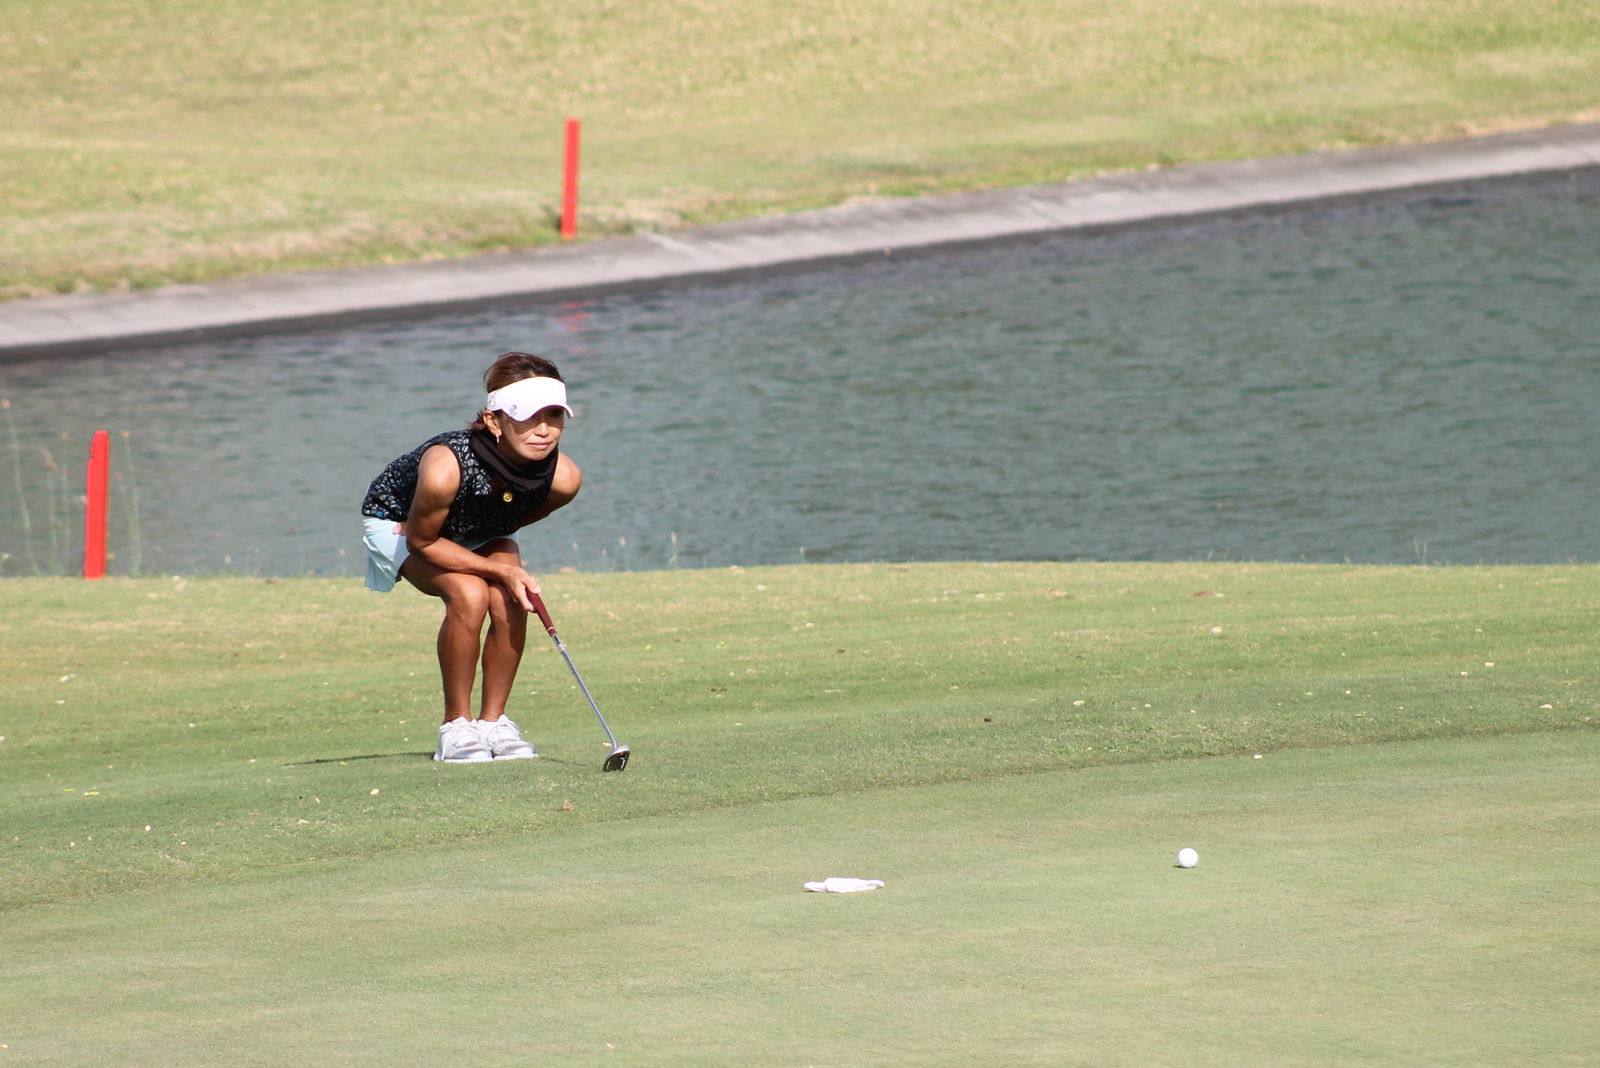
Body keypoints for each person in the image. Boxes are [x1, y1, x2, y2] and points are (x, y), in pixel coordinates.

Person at [360, 352, 582, 762]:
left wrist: (493, 558)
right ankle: (456, 728)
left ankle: (493, 724)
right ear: (494, 421)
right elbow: (422, 541)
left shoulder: (563, 478)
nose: (543, 430)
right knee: (470, 594)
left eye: (553, 416)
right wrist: (499, 568)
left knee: (509, 596)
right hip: (402, 527)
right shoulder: (446, 466)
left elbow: (517, 516)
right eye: (528, 417)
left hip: (476, 525)